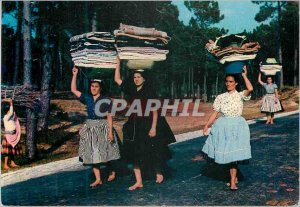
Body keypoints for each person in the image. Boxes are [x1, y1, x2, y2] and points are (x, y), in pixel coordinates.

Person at [114, 57, 176, 191]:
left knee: (152, 149)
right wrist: (118, 62)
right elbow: (117, 80)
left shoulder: (149, 91)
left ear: (144, 78)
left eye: (139, 77)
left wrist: (153, 128)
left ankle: (158, 172)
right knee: (135, 151)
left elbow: (155, 110)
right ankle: (138, 181)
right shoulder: (131, 89)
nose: (136, 79)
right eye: (135, 77)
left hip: (149, 123)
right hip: (135, 124)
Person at [201, 65, 253, 191]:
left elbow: (250, 88)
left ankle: (232, 181)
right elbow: (215, 113)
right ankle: (233, 178)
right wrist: (207, 125)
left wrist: (244, 75)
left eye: (231, 82)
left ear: (235, 83)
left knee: (234, 156)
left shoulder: (240, 95)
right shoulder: (220, 97)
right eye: (227, 81)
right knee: (227, 155)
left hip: (237, 127)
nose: (228, 84)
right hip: (222, 127)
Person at [71, 66, 121, 187]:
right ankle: (98, 179)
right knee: (93, 152)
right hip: (90, 127)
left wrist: (110, 132)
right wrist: (75, 74)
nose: (93, 88)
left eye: (96, 86)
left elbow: (109, 116)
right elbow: (73, 89)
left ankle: (112, 171)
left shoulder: (106, 99)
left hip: (103, 126)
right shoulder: (87, 98)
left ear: (100, 88)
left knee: (106, 151)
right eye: (92, 86)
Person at [1, 98, 23, 170]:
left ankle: (12, 163)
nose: (11, 112)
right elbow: (11, 111)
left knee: (12, 150)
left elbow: (12, 113)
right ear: (7, 111)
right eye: (9, 111)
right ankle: (5, 165)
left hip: (12, 135)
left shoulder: (10, 117)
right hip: (8, 135)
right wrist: (10, 103)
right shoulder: (6, 117)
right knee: (7, 151)